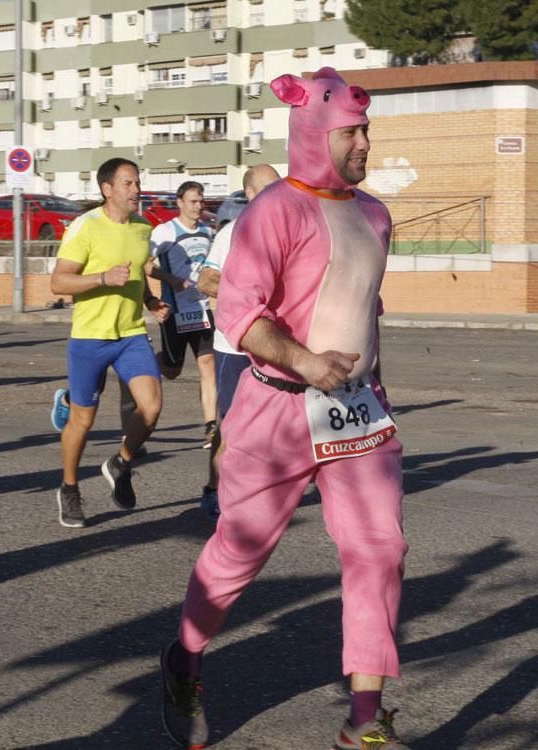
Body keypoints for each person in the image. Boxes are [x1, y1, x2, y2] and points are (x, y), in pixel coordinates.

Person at [159, 68, 410, 750]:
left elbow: (363, 309)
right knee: (240, 552)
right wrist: (304, 361)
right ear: (313, 134)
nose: (363, 143)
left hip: (357, 413)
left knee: (379, 549)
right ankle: (184, 659)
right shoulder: (276, 212)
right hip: (276, 408)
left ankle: (364, 719)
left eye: (364, 130)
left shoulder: (376, 214)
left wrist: (371, 385)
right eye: (350, 132)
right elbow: (240, 314)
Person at [51, 157, 168, 529]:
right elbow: (59, 283)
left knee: (150, 408)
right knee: (82, 422)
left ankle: (120, 462)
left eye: (137, 182)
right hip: (90, 337)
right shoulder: (84, 228)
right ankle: (69, 488)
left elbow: (135, 273)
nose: (137, 190)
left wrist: (150, 301)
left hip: (130, 333)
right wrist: (101, 277)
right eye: (129, 184)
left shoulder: (141, 228)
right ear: (108, 189)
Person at [197, 164, 280, 519]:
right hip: (234, 346)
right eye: (269, 189)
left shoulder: (284, 230)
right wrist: (248, 295)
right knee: (231, 426)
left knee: (273, 424)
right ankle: (214, 490)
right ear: (249, 195)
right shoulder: (233, 233)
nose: (279, 196)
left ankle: (258, 490)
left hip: (273, 344)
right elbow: (206, 281)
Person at [148, 181, 217, 449]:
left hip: (200, 310)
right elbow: (146, 266)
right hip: (175, 310)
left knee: (208, 363)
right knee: (172, 370)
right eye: (193, 201)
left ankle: (211, 427)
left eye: (201, 201)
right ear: (179, 203)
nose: (199, 206)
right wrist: (172, 280)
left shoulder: (207, 232)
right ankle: (147, 364)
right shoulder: (165, 232)